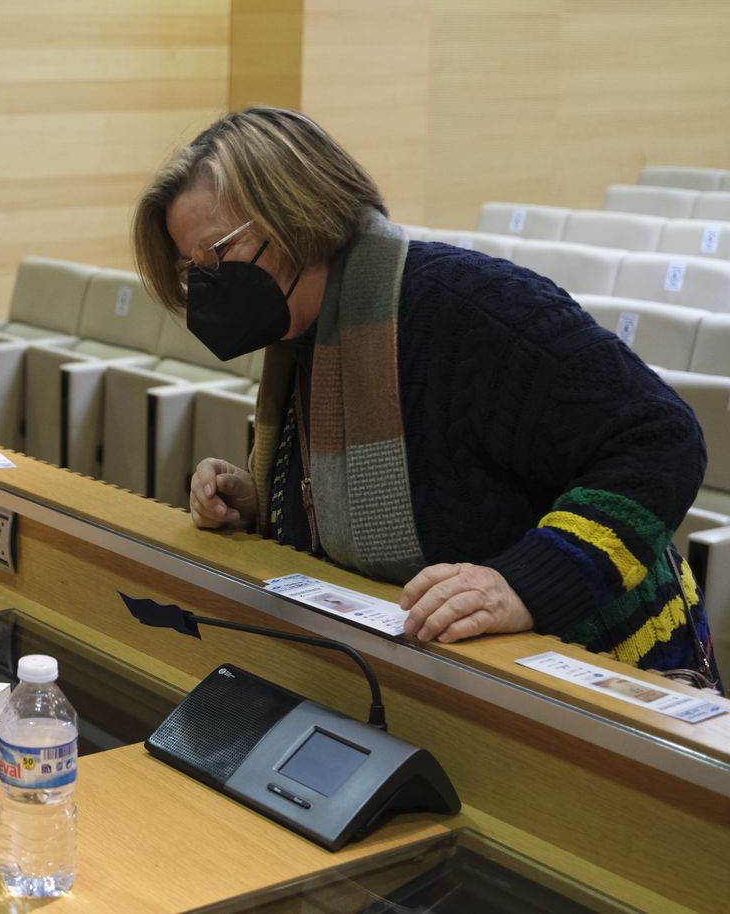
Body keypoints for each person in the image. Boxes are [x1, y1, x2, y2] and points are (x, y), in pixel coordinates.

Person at [131, 106, 717, 683]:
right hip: (443, 669)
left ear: (292, 215)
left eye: (217, 254)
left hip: (599, 666)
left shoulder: (466, 304)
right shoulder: (303, 340)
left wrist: (523, 584)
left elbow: (661, 438)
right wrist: (267, 504)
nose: (207, 283)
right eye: (191, 268)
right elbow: (414, 493)